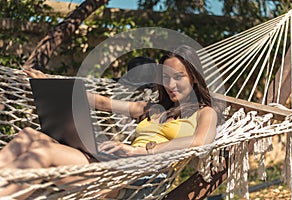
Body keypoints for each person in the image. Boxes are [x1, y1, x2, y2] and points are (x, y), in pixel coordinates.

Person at [0, 45, 218, 198]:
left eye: (178, 76)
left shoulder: (204, 112)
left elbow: (199, 142)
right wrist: (50, 84)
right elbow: (103, 103)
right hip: (117, 167)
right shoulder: (151, 108)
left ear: (194, 77)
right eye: (166, 76)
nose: (171, 83)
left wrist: (141, 152)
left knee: (42, 152)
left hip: (139, 181)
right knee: (28, 135)